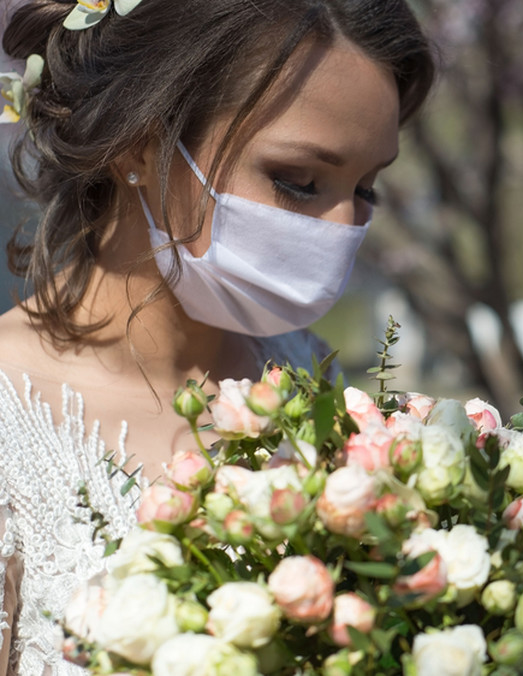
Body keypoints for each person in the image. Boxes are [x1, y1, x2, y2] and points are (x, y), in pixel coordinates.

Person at [0, 0, 434, 672]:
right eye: (299, 182)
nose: (343, 226)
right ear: (138, 144)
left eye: (368, 189)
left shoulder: (309, 380)